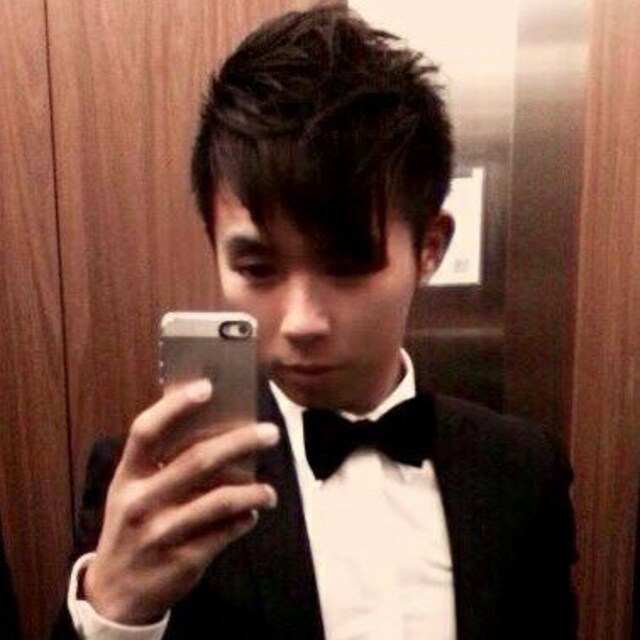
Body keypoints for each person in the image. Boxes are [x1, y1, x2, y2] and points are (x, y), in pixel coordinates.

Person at [52, 4, 577, 639]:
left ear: (430, 246)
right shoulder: (157, 488)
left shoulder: (522, 470)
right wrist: (113, 613)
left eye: (348, 264)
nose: (301, 322)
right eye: (257, 267)